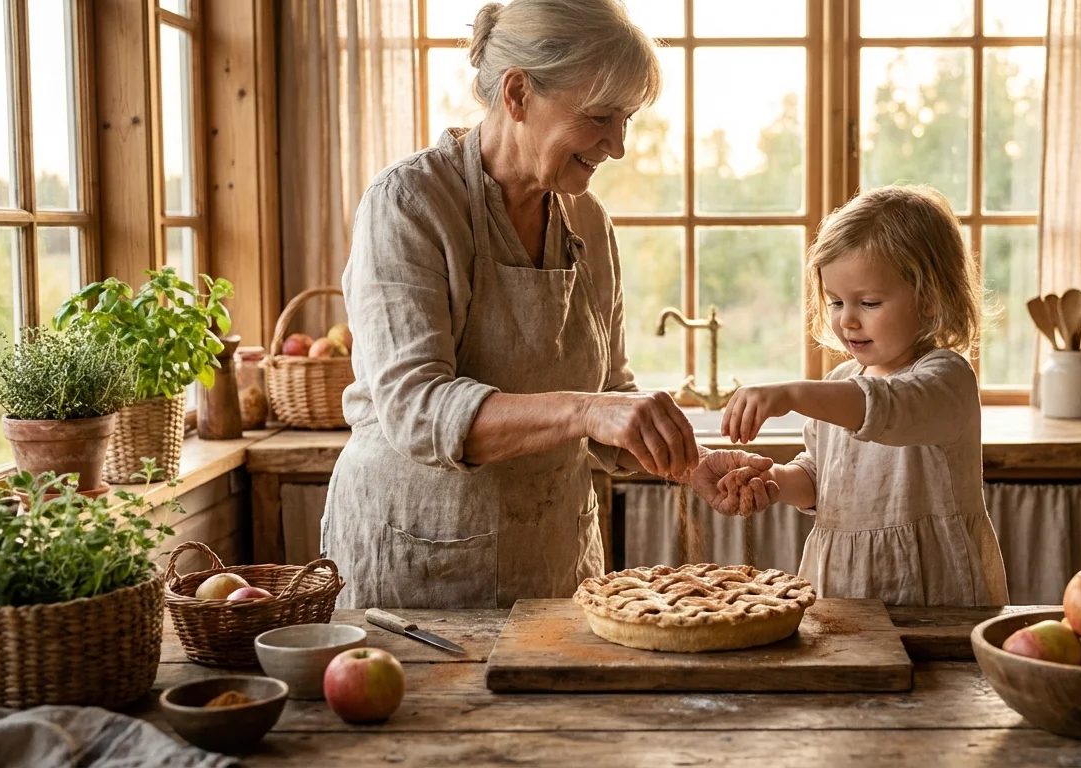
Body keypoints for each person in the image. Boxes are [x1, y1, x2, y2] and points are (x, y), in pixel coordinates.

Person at [321, 0, 771, 609]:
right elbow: (415, 408)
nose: (617, 145)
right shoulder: (408, 204)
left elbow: (609, 389)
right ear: (517, 94)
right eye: (600, 117)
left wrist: (688, 463)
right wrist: (587, 411)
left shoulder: (587, 219)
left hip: (555, 567)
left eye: (627, 119)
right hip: (416, 573)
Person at [713, 185, 1010, 606]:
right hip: (842, 587)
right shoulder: (841, 380)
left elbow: (887, 406)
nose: (847, 320)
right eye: (835, 302)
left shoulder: (947, 379)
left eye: (868, 303)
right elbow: (819, 479)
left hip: (930, 593)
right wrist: (775, 482)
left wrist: (793, 393)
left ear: (929, 299)